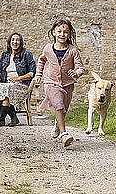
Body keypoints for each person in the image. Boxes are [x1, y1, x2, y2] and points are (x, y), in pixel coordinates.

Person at [33, 19, 84, 147]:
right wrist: (38, 75)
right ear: (54, 32)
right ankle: (64, 133)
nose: (62, 34)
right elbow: (41, 61)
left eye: (65, 32)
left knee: (64, 109)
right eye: (59, 31)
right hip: (50, 82)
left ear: (70, 34)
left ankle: (58, 123)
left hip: (67, 85)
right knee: (59, 105)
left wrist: (76, 73)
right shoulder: (48, 48)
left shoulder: (73, 51)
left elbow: (81, 68)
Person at [0, 32, 36, 127]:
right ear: (9, 42)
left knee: (7, 88)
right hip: (7, 85)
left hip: (21, 85)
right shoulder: (5, 55)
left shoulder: (26, 54)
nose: (15, 42)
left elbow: (32, 72)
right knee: (4, 86)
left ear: (21, 42)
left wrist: (18, 78)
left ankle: (1, 119)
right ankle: (14, 118)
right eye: (13, 39)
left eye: (17, 40)